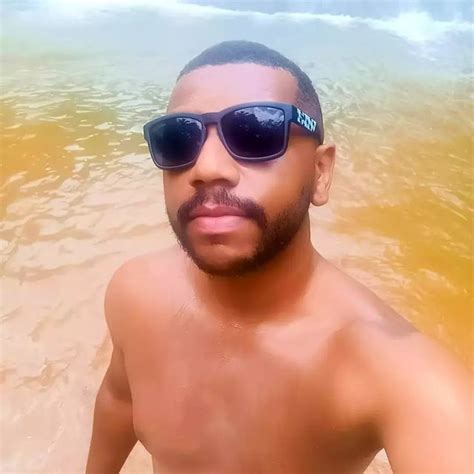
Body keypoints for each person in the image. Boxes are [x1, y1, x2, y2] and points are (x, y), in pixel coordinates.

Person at [86, 40, 472, 473]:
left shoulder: (394, 375)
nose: (207, 168)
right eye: (178, 140)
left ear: (320, 173)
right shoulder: (136, 295)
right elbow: (119, 400)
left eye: (256, 131)